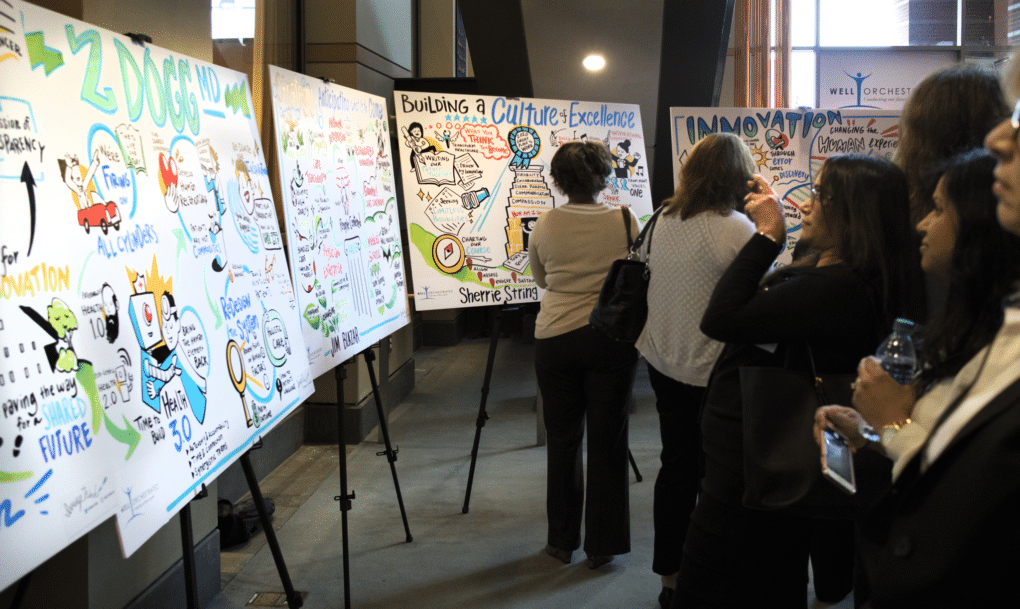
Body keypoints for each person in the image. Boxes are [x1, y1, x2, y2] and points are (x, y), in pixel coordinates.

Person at [813, 61, 1020, 607]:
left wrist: (895, 424)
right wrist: (881, 428)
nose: (1001, 137)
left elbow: (965, 501)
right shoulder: (994, 322)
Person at [673, 154, 916, 608]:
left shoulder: (839, 288)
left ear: (852, 213)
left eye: (821, 196)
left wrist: (767, 236)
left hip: (762, 459)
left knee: (727, 580)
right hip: (763, 456)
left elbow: (721, 317)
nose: (806, 204)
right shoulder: (844, 273)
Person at [816, 148, 1020, 480]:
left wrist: (893, 421)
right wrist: (870, 432)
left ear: (978, 224)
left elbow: (959, 479)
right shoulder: (963, 323)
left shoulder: (1005, 347)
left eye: (938, 210)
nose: (922, 225)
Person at [633, 133, 757, 609]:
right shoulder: (736, 228)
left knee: (677, 468)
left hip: (663, 359)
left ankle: (672, 579)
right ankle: (716, 582)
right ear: (738, 175)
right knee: (722, 480)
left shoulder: (663, 217)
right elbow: (759, 294)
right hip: (713, 369)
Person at [528, 140, 638, 569]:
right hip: (610, 339)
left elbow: (541, 279)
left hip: (554, 339)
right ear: (604, 176)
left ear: (557, 180)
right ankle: (604, 545)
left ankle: (560, 542)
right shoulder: (626, 220)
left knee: (562, 440)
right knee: (609, 442)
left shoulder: (545, 223)